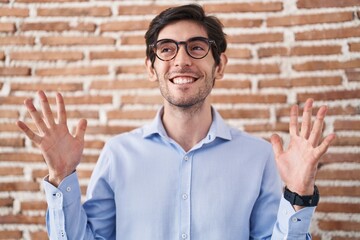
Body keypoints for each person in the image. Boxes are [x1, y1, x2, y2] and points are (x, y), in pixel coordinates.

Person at [16, 4, 336, 240]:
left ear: (219, 65)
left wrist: (298, 194)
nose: (181, 60)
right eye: (166, 50)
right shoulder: (118, 154)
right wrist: (60, 179)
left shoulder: (259, 156)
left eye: (196, 48)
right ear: (151, 67)